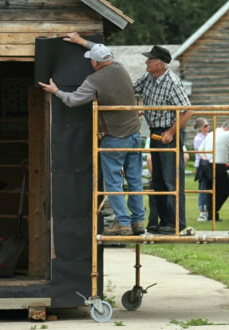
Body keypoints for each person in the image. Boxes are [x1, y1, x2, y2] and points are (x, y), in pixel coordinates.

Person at [38, 32, 145, 236]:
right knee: (135, 179)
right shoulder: (119, 66)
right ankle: (138, 221)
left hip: (114, 137)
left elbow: (72, 100)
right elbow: (106, 52)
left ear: (95, 63)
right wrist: (81, 41)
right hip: (134, 134)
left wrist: (55, 91)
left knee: (113, 182)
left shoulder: (93, 80)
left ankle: (122, 223)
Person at [133, 45, 192, 235]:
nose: (146, 63)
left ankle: (176, 223)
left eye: (150, 60)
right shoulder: (149, 78)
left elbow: (188, 111)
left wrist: (172, 132)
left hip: (169, 135)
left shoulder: (172, 82)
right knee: (157, 179)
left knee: (171, 180)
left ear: (160, 64)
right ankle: (163, 221)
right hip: (155, 132)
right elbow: (131, 88)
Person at [198, 120, 229, 221]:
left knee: (211, 191)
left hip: (206, 165)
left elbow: (200, 149)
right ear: (228, 129)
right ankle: (213, 210)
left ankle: (212, 214)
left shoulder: (211, 134)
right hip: (218, 166)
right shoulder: (225, 134)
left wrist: (205, 159)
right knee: (225, 190)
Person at [193, 117, 210, 221]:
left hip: (208, 163)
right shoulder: (198, 138)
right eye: (205, 126)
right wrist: (205, 159)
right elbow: (199, 151)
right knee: (203, 187)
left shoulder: (208, 136)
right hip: (202, 165)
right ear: (201, 128)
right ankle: (202, 211)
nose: (208, 127)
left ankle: (209, 210)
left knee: (208, 188)